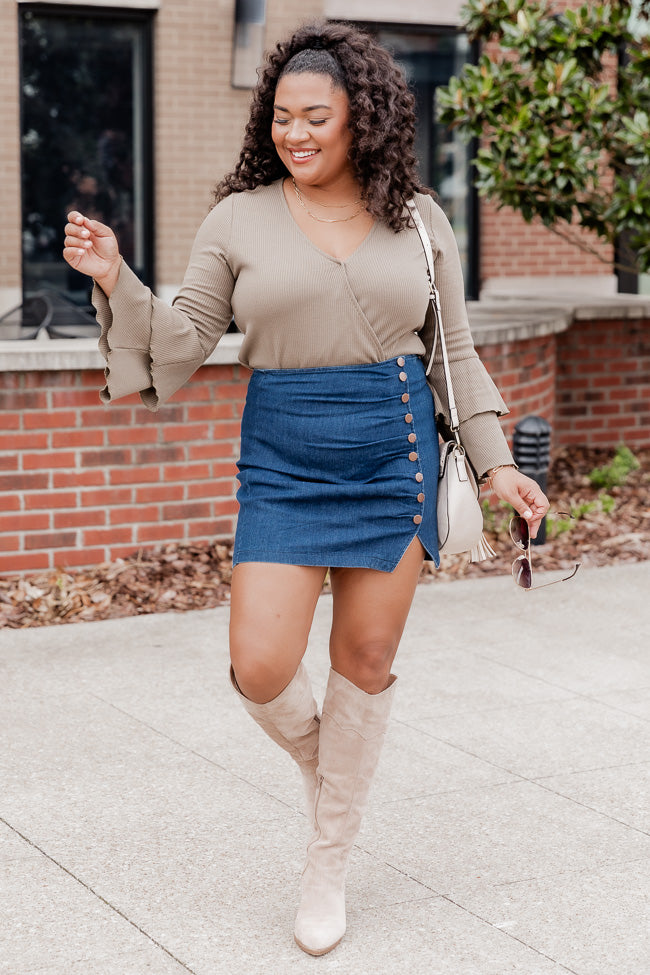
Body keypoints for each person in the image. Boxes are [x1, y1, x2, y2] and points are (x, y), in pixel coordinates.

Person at [63, 20, 549, 956]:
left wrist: (498, 465)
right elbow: (183, 341)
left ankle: (328, 859)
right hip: (284, 458)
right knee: (260, 665)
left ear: (360, 117)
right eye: (281, 116)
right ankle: (336, 780)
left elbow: (453, 356)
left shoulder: (421, 221)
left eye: (314, 116)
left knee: (363, 658)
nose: (294, 132)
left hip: (394, 450)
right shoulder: (237, 219)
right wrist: (116, 277)